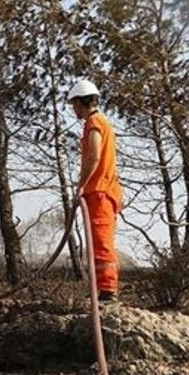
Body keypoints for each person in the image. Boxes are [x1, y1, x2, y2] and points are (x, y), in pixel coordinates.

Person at [67, 78, 124, 303]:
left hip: (99, 191)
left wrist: (80, 185)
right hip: (105, 189)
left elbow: (94, 156)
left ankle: (108, 291)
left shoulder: (95, 123)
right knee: (100, 241)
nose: (74, 109)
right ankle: (103, 290)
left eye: (74, 105)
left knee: (101, 242)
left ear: (81, 103)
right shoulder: (102, 123)